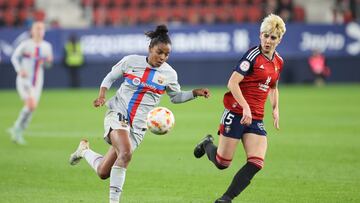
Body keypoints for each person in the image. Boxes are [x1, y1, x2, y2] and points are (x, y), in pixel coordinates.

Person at [69, 25, 210, 203]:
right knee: (126, 153)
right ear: (150, 48)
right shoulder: (131, 61)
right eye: (159, 52)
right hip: (119, 113)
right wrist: (102, 96)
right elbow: (110, 77)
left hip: (138, 127)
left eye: (167, 55)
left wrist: (195, 93)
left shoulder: (169, 74)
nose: (162, 58)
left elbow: (175, 97)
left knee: (103, 172)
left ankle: (84, 151)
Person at [193, 14, 286, 203]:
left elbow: (273, 87)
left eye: (273, 37)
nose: (268, 40)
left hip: (256, 118)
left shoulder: (278, 62)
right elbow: (232, 83)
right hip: (236, 112)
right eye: (265, 35)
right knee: (222, 163)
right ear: (260, 35)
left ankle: (226, 198)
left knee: (256, 162)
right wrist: (245, 107)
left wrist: (275, 108)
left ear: (279, 39)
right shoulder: (252, 56)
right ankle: (206, 144)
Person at [8, 21, 53, 145]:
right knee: (31, 105)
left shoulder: (46, 46)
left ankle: (18, 130)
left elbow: (48, 65)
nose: (39, 31)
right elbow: (14, 57)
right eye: (37, 28)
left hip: (37, 81)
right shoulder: (26, 44)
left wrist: (48, 61)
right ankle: (17, 129)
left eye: (41, 29)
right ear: (32, 31)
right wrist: (19, 70)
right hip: (24, 80)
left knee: (31, 108)